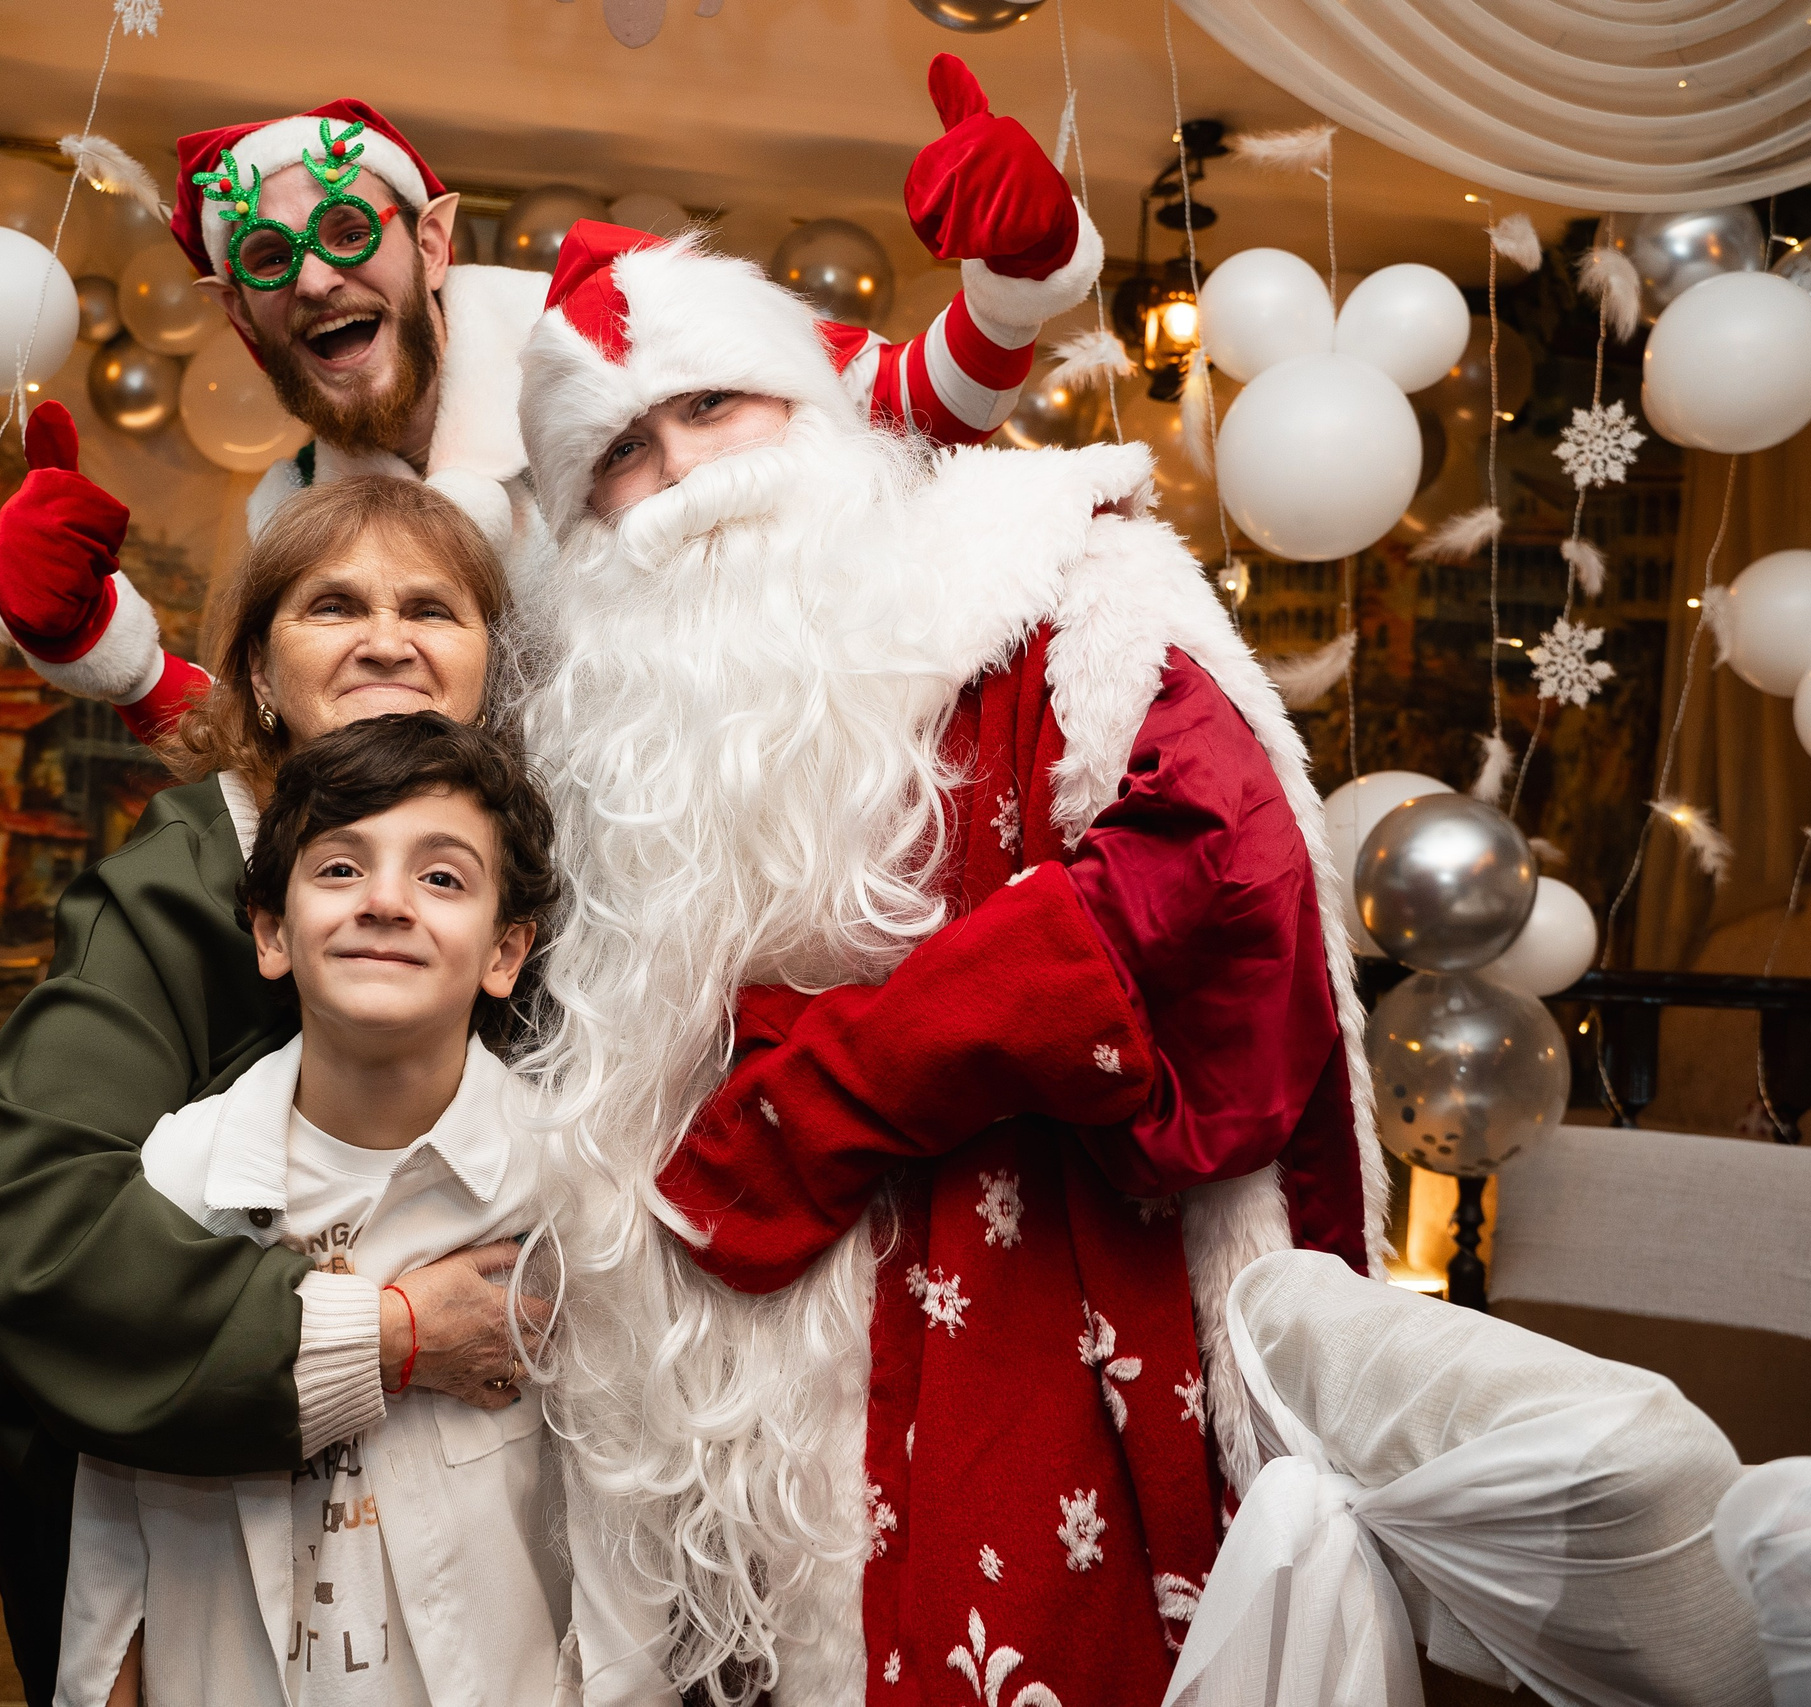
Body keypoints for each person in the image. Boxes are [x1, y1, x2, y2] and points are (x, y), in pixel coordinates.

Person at [512, 224, 1388, 1704]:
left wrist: (846, 1087)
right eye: (624, 453)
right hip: (706, 1406)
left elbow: (1219, 870)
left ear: (816, 402)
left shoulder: (1053, 589)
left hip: (1038, 1319)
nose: (686, 476)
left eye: (714, 404)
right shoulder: (593, 737)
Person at [0, 57, 1103, 747]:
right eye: (271, 260)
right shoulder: (292, 519)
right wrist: (104, 647)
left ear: (429, 242)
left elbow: (908, 410)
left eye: (342, 232)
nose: (317, 280)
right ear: (242, 319)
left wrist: (1012, 287)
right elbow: (276, 753)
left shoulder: (616, 333)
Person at [0, 479, 549, 1707]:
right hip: (181, 1521)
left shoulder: (530, 883)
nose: (387, 637)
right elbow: (43, 1240)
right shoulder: (168, 887)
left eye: (431, 608)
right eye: (335, 603)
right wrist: (386, 1337)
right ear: (260, 677)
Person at [57, 711, 583, 1707]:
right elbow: (115, 1477)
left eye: (441, 877)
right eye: (339, 869)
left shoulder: (564, 1186)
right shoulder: (182, 1170)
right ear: (270, 929)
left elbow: (609, 1518)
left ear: (506, 952)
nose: (385, 901)